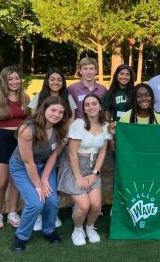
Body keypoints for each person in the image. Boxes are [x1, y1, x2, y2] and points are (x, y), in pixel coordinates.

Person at [9, 96, 68, 252]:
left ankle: (49, 230)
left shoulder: (60, 128)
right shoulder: (28, 129)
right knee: (36, 203)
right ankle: (21, 236)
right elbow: (28, 162)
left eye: (60, 112)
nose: (56, 115)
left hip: (44, 167)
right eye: (53, 110)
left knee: (52, 201)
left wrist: (44, 178)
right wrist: (38, 185)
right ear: (44, 109)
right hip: (22, 166)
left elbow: (54, 155)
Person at [58, 94, 111, 244]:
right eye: (87, 105)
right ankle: (78, 229)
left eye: (94, 103)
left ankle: (90, 227)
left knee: (95, 205)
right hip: (75, 166)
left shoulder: (105, 126)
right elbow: (72, 153)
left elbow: (102, 152)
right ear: (84, 108)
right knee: (83, 205)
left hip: (93, 166)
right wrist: (79, 177)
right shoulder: (78, 124)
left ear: (100, 106)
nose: (91, 107)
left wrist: (95, 173)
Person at [28, 68, 75, 229]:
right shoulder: (38, 97)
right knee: (40, 176)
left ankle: (51, 213)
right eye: (52, 79)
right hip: (42, 142)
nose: (56, 82)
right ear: (47, 81)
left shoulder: (67, 97)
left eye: (59, 80)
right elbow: (32, 118)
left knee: (55, 175)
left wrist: (65, 136)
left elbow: (71, 118)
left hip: (61, 140)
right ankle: (39, 215)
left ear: (63, 83)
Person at [0, 66, 29, 231]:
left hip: (20, 141)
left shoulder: (24, 98)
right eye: (10, 79)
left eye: (17, 78)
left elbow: (30, 118)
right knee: (2, 181)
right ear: (4, 80)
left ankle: (12, 212)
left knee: (16, 180)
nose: (14, 82)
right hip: (1, 140)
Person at [103, 64, 135, 156]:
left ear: (131, 77)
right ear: (117, 76)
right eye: (122, 74)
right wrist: (111, 135)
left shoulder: (135, 91)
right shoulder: (111, 92)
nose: (124, 77)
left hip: (132, 128)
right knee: (117, 157)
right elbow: (107, 111)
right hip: (117, 129)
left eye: (127, 74)